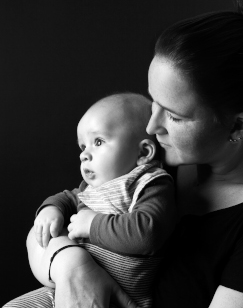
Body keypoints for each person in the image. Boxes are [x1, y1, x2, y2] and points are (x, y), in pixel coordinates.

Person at [21, 0, 243, 308]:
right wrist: (72, 265)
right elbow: (39, 236)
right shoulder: (160, 155)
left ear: (238, 126)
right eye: (154, 103)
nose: (152, 127)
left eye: (175, 117)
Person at [3, 93, 177, 308]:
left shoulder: (149, 184)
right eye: (83, 147)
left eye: (98, 141)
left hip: (118, 299)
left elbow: (147, 234)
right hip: (68, 287)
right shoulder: (92, 189)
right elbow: (66, 198)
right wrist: (51, 210)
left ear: (143, 152)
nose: (84, 155)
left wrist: (92, 224)